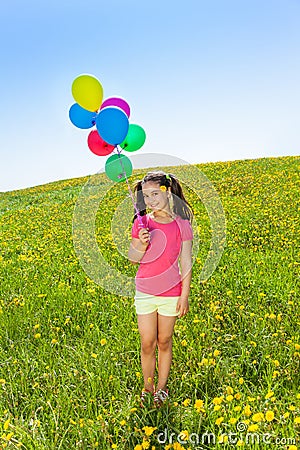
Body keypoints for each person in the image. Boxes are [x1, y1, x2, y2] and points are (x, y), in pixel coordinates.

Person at [128, 171, 193, 407]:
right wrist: (141, 242)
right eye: (146, 196)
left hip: (171, 293)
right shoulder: (142, 222)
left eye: (155, 193)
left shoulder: (181, 225)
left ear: (167, 192)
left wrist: (184, 295)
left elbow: (186, 261)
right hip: (145, 291)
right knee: (148, 342)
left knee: (165, 341)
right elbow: (133, 258)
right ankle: (148, 388)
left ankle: (162, 389)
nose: (151, 200)